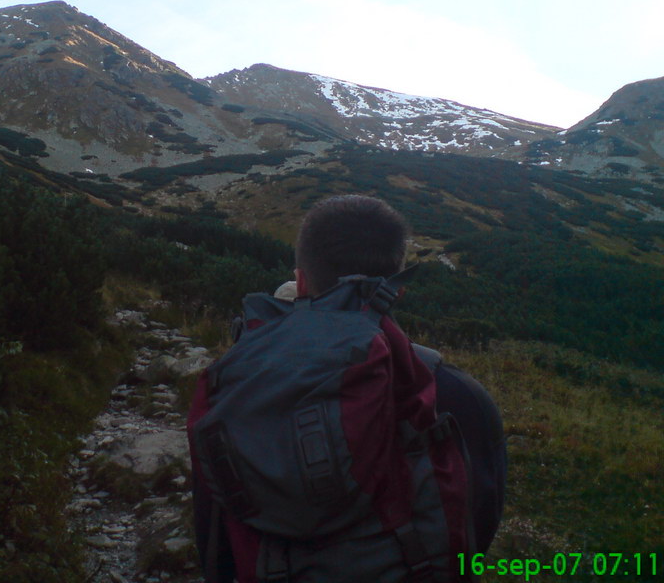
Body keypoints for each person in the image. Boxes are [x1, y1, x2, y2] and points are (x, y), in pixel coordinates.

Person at [187, 194, 506, 582]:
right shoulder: (458, 396)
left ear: (300, 282)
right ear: (396, 292)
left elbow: (213, 531)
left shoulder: (233, 385)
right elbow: (475, 532)